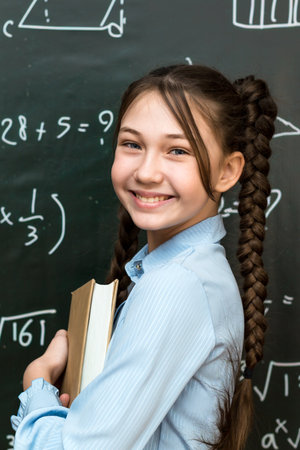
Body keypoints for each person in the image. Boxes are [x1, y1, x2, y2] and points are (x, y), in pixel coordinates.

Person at [11, 64, 277, 449]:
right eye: (132, 144)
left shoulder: (177, 284)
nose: (148, 172)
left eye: (178, 150)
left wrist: (37, 385)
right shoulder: (189, 271)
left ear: (228, 170)